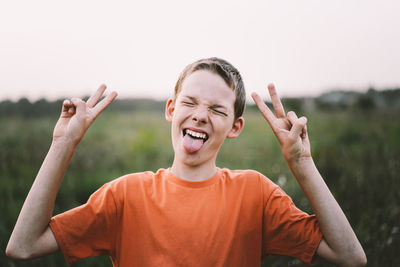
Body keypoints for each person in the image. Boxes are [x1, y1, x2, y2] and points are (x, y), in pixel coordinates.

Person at [6, 58, 366, 266]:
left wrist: (302, 164)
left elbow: (351, 256)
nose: (200, 116)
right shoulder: (126, 195)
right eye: (190, 103)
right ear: (170, 109)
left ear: (235, 126)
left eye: (216, 109)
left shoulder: (254, 193)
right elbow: (23, 246)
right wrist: (62, 145)